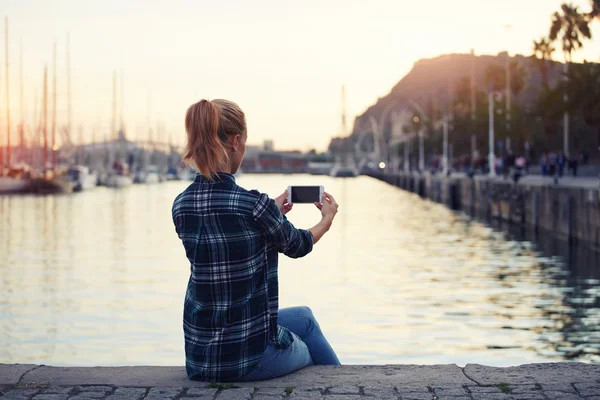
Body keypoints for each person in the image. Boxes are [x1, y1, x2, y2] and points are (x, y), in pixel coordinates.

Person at [172, 99, 341, 383]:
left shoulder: (181, 205)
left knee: (304, 317)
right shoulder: (254, 206)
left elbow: (229, 227)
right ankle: (339, 387)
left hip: (200, 357)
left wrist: (269, 211)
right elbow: (298, 244)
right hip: (248, 359)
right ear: (236, 141)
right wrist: (326, 219)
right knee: (309, 348)